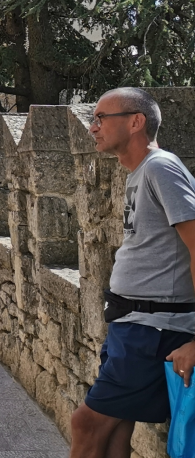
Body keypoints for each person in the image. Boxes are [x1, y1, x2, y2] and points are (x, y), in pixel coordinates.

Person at [70, 88, 195, 458]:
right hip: (134, 325)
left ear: (136, 122)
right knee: (113, 434)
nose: (93, 127)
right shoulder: (140, 173)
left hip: (154, 330)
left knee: (87, 424)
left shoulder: (160, 167)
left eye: (101, 118)